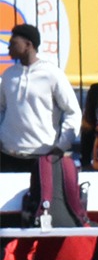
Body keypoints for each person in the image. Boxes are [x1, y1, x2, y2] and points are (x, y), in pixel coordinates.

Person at [0, 23, 81, 170]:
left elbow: (73, 112)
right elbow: (1, 109)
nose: (8, 48)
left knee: (41, 194)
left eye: (13, 43)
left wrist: (61, 146)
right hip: (7, 155)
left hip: (43, 156)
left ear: (28, 45)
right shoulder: (8, 75)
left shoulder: (52, 74)